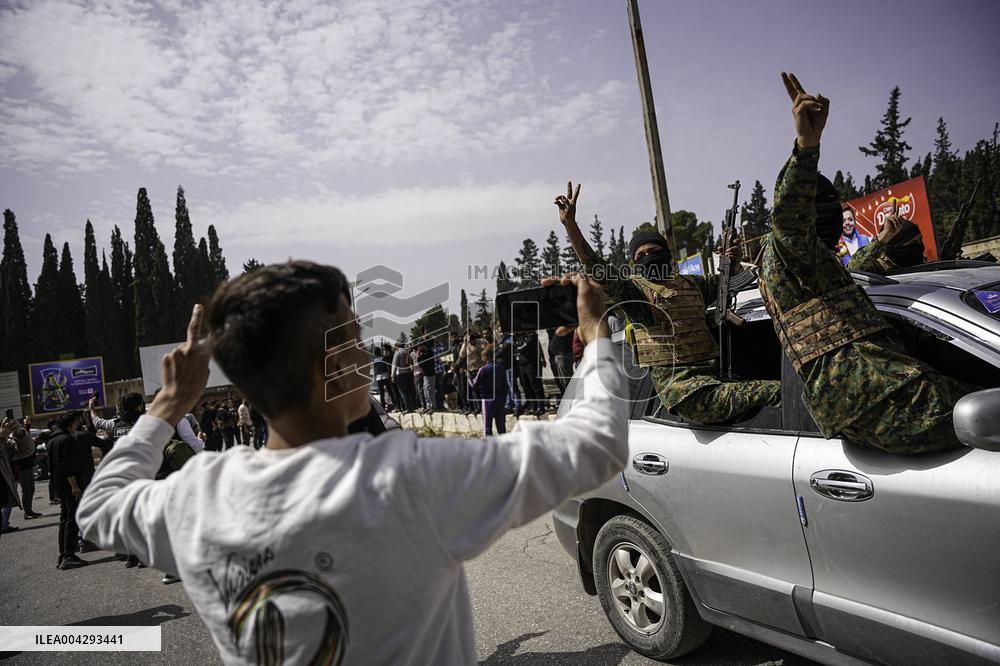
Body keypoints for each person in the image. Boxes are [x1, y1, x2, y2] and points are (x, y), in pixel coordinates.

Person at [77, 262, 627, 665]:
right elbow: (598, 442)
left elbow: (97, 511)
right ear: (337, 365)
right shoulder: (404, 478)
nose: (368, 353)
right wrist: (597, 335)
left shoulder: (196, 496)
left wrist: (169, 404)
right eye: (358, 337)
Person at [757, 72, 970, 454]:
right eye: (817, 207)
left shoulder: (813, 258)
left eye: (832, 208)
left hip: (874, 388)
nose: (828, 215)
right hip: (875, 395)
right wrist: (807, 145)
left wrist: (886, 245)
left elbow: (848, 276)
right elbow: (790, 214)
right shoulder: (787, 246)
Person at [557, 181, 782, 424]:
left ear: (666, 253)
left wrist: (732, 260)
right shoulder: (637, 294)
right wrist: (571, 225)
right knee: (780, 391)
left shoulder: (692, 284)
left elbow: (729, 282)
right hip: (686, 393)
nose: (647, 258)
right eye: (639, 256)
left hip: (718, 378)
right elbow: (596, 265)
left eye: (652, 251)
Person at [48, 411, 103, 569]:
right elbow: (68, 467)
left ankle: (62, 555)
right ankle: (68, 556)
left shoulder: (53, 439)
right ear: (71, 423)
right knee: (71, 521)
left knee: (64, 520)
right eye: (76, 422)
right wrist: (75, 486)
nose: (77, 425)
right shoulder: (67, 440)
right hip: (70, 486)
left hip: (60, 486)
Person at [847, 215, 925, 273]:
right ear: (896, 244)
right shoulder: (878, 268)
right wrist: (883, 237)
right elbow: (853, 271)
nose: (920, 246)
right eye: (914, 242)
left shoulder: (921, 263)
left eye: (920, 240)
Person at [11, 417, 42, 520]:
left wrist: (27, 425)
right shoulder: (14, 437)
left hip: (28, 466)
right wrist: (16, 427)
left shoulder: (24, 435)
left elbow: (25, 435)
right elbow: (19, 434)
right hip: (21, 468)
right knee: (26, 490)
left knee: (31, 490)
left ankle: (29, 510)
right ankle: (27, 512)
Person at [0, 418, 22, 537]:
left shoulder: (4, 442)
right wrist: (2, 437)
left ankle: (4, 525)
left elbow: (22, 450)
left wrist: (20, 433)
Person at [391, 342, 417, 412]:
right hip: (410, 373)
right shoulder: (407, 351)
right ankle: (415, 406)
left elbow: (394, 365)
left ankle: (408, 408)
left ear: (397, 346)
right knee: (411, 391)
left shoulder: (397, 353)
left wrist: (392, 376)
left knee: (403, 392)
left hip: (401, 374)